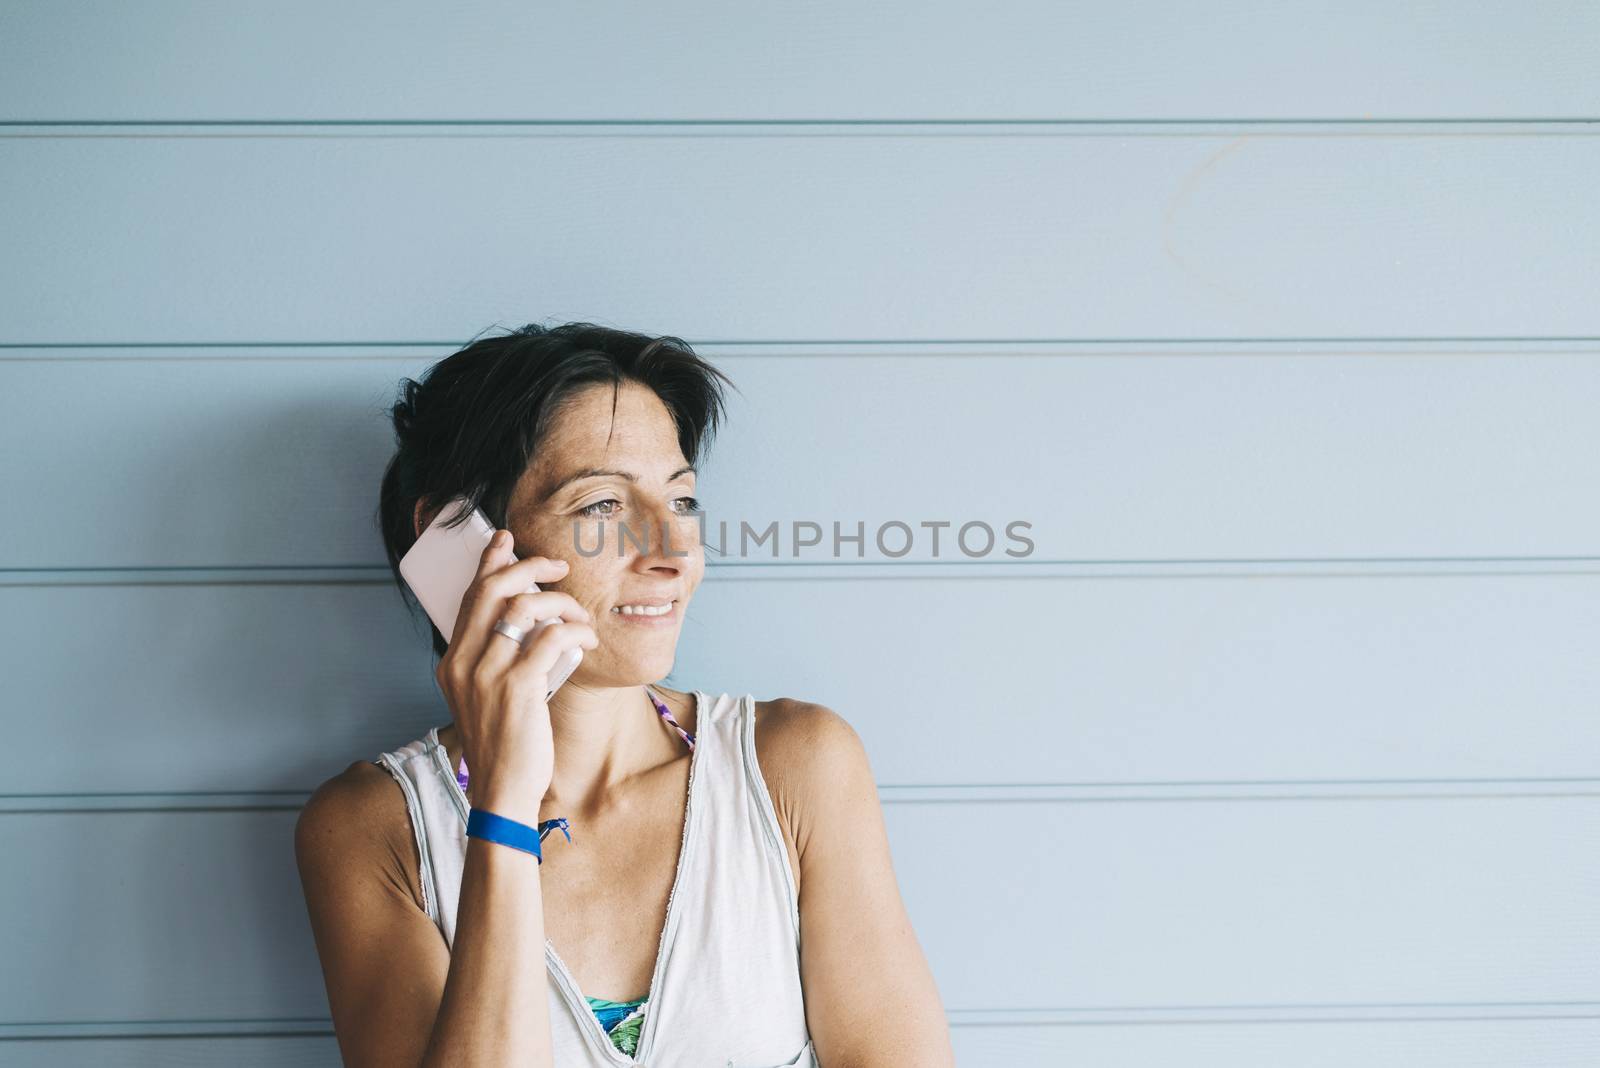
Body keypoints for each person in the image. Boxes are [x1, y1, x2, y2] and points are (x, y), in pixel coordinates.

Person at [294, 322, 955, 1067]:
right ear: (459, 538)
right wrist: (505, 803)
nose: (671, 553)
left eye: (681, 501)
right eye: (601, 506)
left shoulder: (796, 768)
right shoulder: (370, 829)